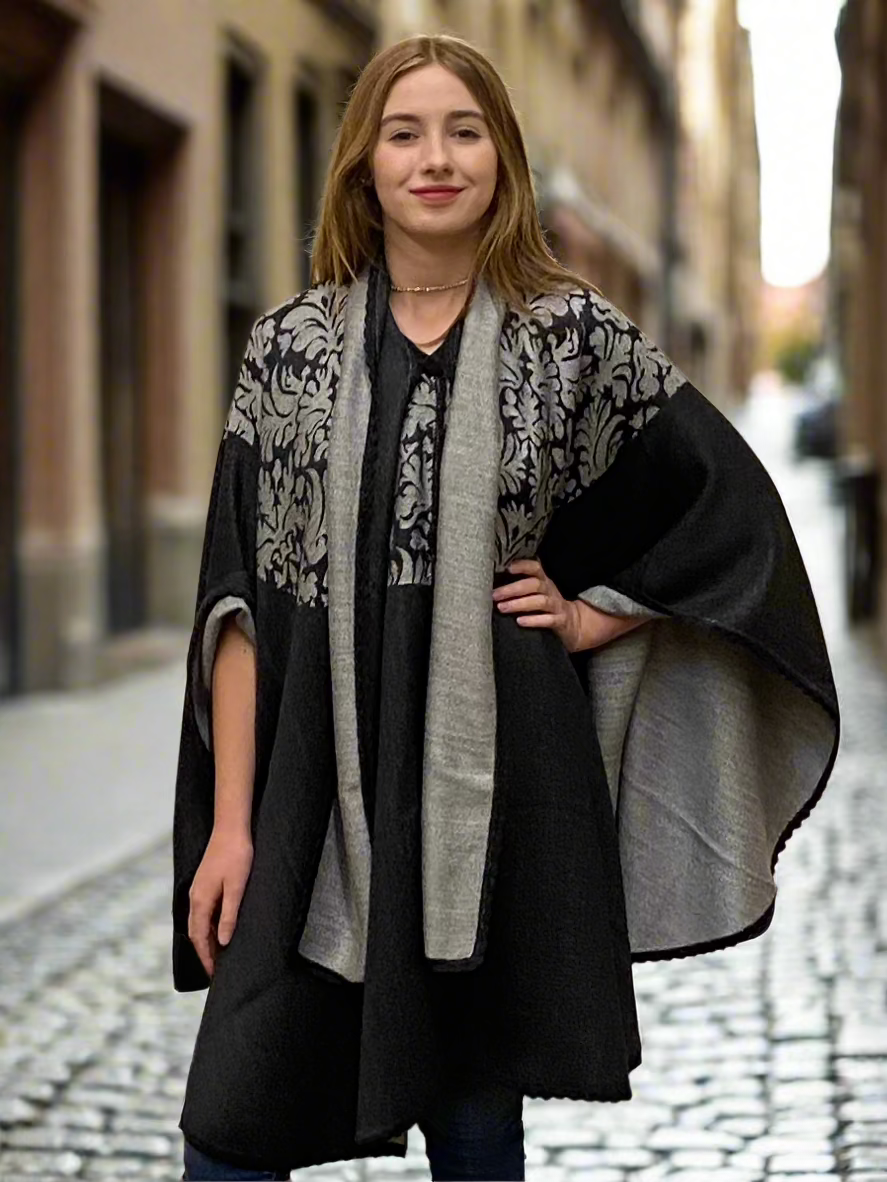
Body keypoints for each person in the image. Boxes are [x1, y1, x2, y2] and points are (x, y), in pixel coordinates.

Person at [171, 32, 840, 1182]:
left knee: (475, 1124)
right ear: (362, 164)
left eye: (464, 132)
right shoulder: (289, 349)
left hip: (487, 794)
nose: (435, 159)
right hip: (310, 788)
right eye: (404, 133)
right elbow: (241, 607)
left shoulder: (568, 339)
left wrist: (595, 615)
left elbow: (721, 506)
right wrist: (230, 828)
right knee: (231, 1124)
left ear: (502, 160)